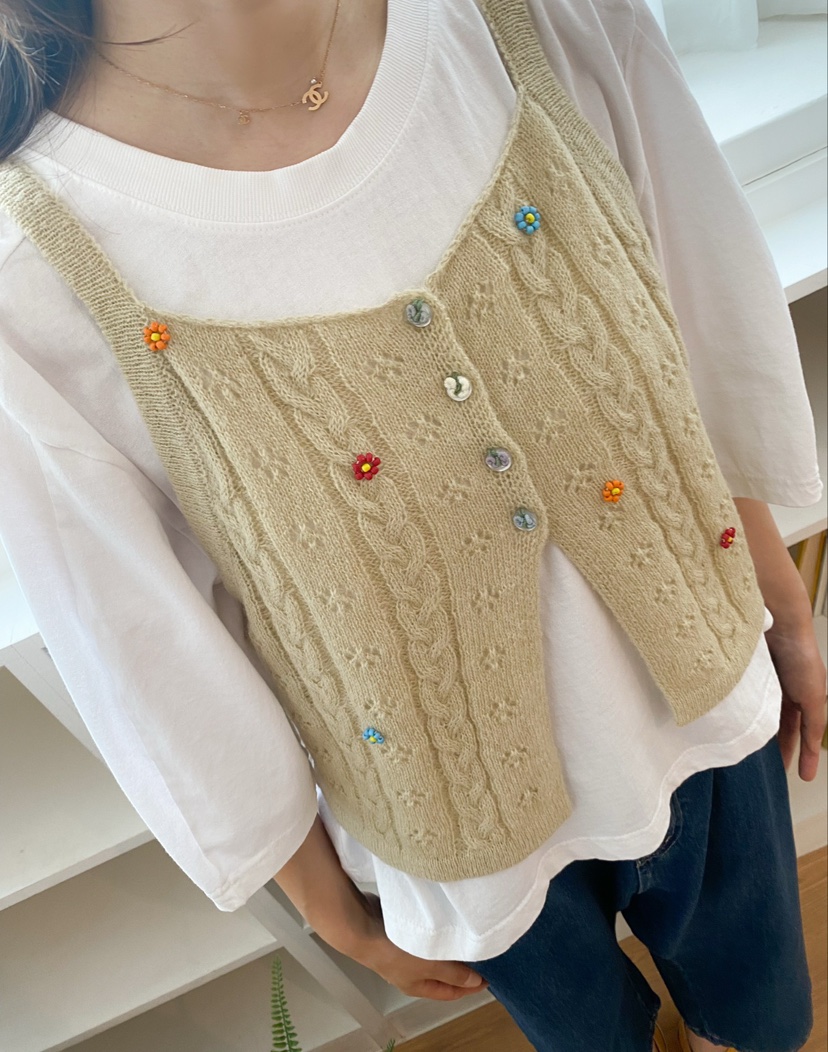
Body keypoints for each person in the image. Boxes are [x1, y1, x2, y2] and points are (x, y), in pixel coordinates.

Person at [0, 1, 824, 1049]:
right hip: (462, 843)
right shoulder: (36, 272)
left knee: (761, 1017)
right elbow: (143, 646)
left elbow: (699, 310)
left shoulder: (537, 22)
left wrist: (777, 589)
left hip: (712, 698)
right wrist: (322, 898)